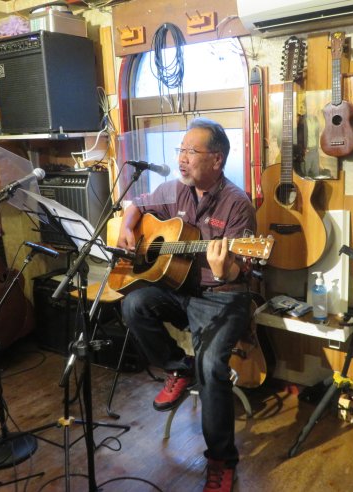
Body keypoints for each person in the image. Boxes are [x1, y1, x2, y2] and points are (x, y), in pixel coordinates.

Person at [118, 118, 255, 492]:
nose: (181, 158)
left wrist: (224, 268)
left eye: (191, 152)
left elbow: (238, 269)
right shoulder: (174, 190)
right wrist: (128, 226)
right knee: (133, 304)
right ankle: (179, 368)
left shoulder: (237, 204)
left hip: (223, 296)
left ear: (216, 159)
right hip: (180, 290)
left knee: (212, 367)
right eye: (180, 150)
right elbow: (136, 203)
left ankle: (221, 460)